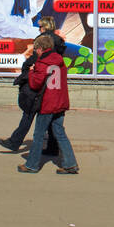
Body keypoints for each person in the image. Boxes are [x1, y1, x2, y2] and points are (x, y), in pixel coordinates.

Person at [0, 16, 63, 156]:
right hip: (53, 84)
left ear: (45, 27)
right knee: (52, 117)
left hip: (40, 83)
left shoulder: (43, 41)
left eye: (40, 27)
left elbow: (35, 59)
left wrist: (26, 71)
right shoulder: (59, 41)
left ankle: (15, 143)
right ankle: (52, 147)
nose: (39, 29)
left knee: (29, 113)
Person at [17, 34, 80, 175]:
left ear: (40, 49)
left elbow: (35, 83)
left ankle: (32, 165)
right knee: (59, 132)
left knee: (38, 134)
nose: (35, 52)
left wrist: (32, 71)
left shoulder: (42, 63)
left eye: (36, 49)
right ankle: (70, 164)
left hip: (47, 103)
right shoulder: (60, 61)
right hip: (60, 100)